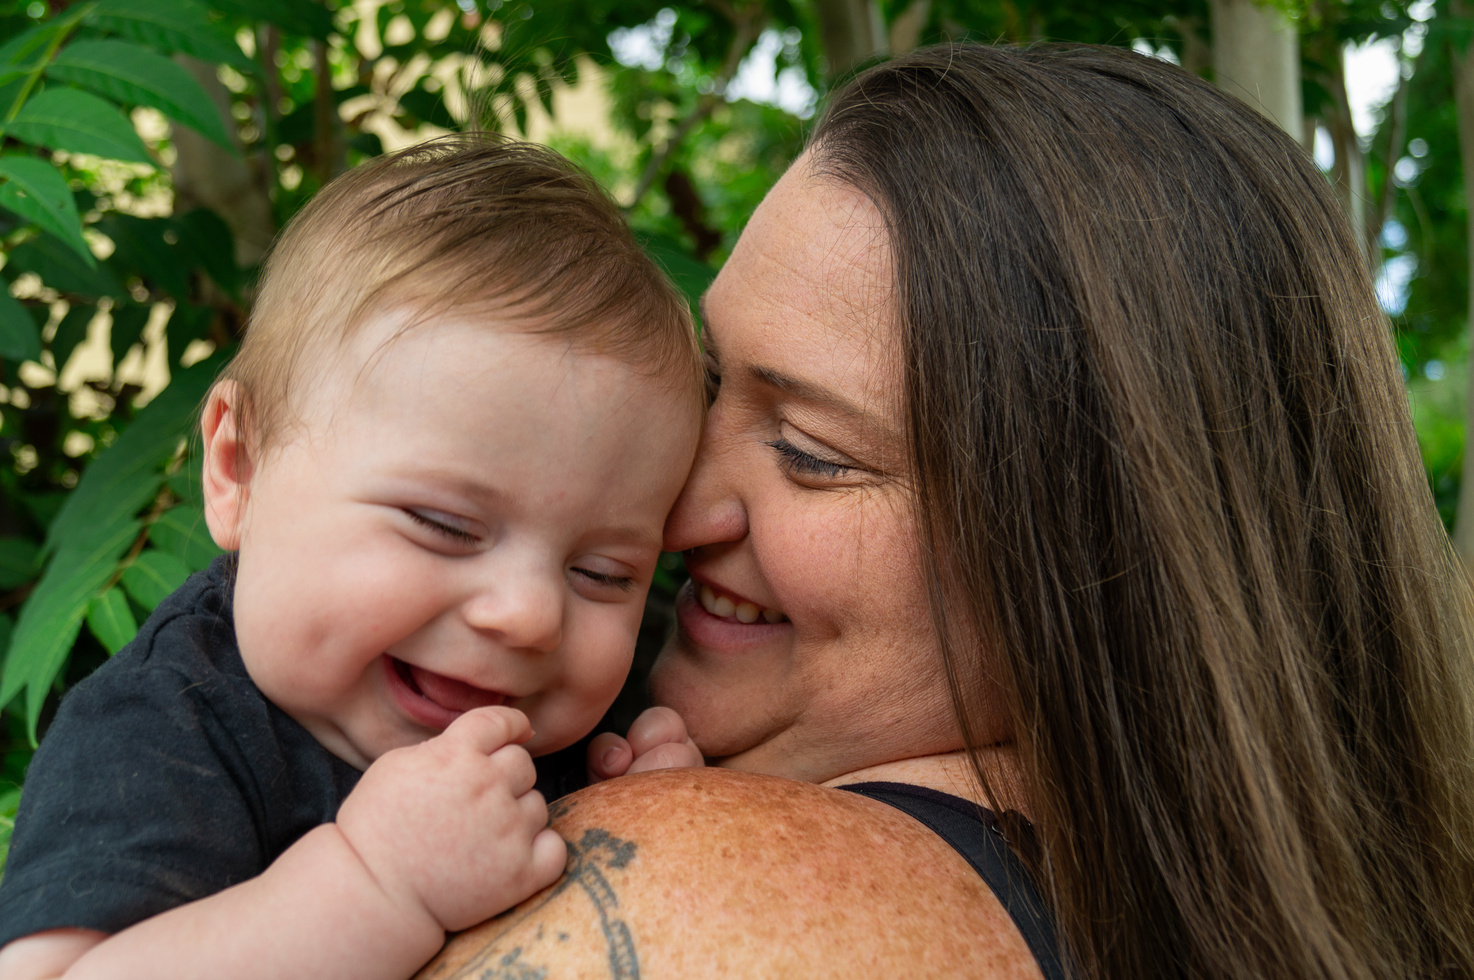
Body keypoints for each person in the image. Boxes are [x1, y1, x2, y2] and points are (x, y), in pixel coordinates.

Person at [423, 42, 1474, 980]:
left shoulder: (704, 909)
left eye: (811, 454)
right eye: (704, 382)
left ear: (1098, 548)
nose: (678, 508)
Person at [0, 136, 707, 980]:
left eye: (602, 575)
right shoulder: (166, 727)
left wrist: (649, 825)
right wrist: (378, 884)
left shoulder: (562, 732)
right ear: (239, 468)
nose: (529, 615)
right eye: (443, 524)